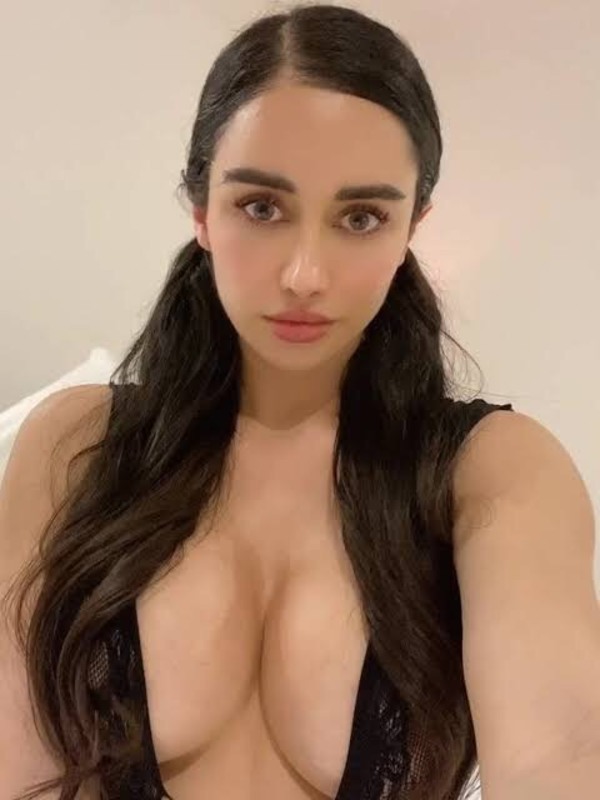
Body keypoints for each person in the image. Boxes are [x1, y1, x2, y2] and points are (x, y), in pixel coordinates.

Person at [0, 4, 521, 799]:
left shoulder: (489, 470)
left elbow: (562, 739)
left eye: (361, 217)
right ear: (201, 208)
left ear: (412, 226)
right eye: (262, 207)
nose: (305, 274)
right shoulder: (79, 444)